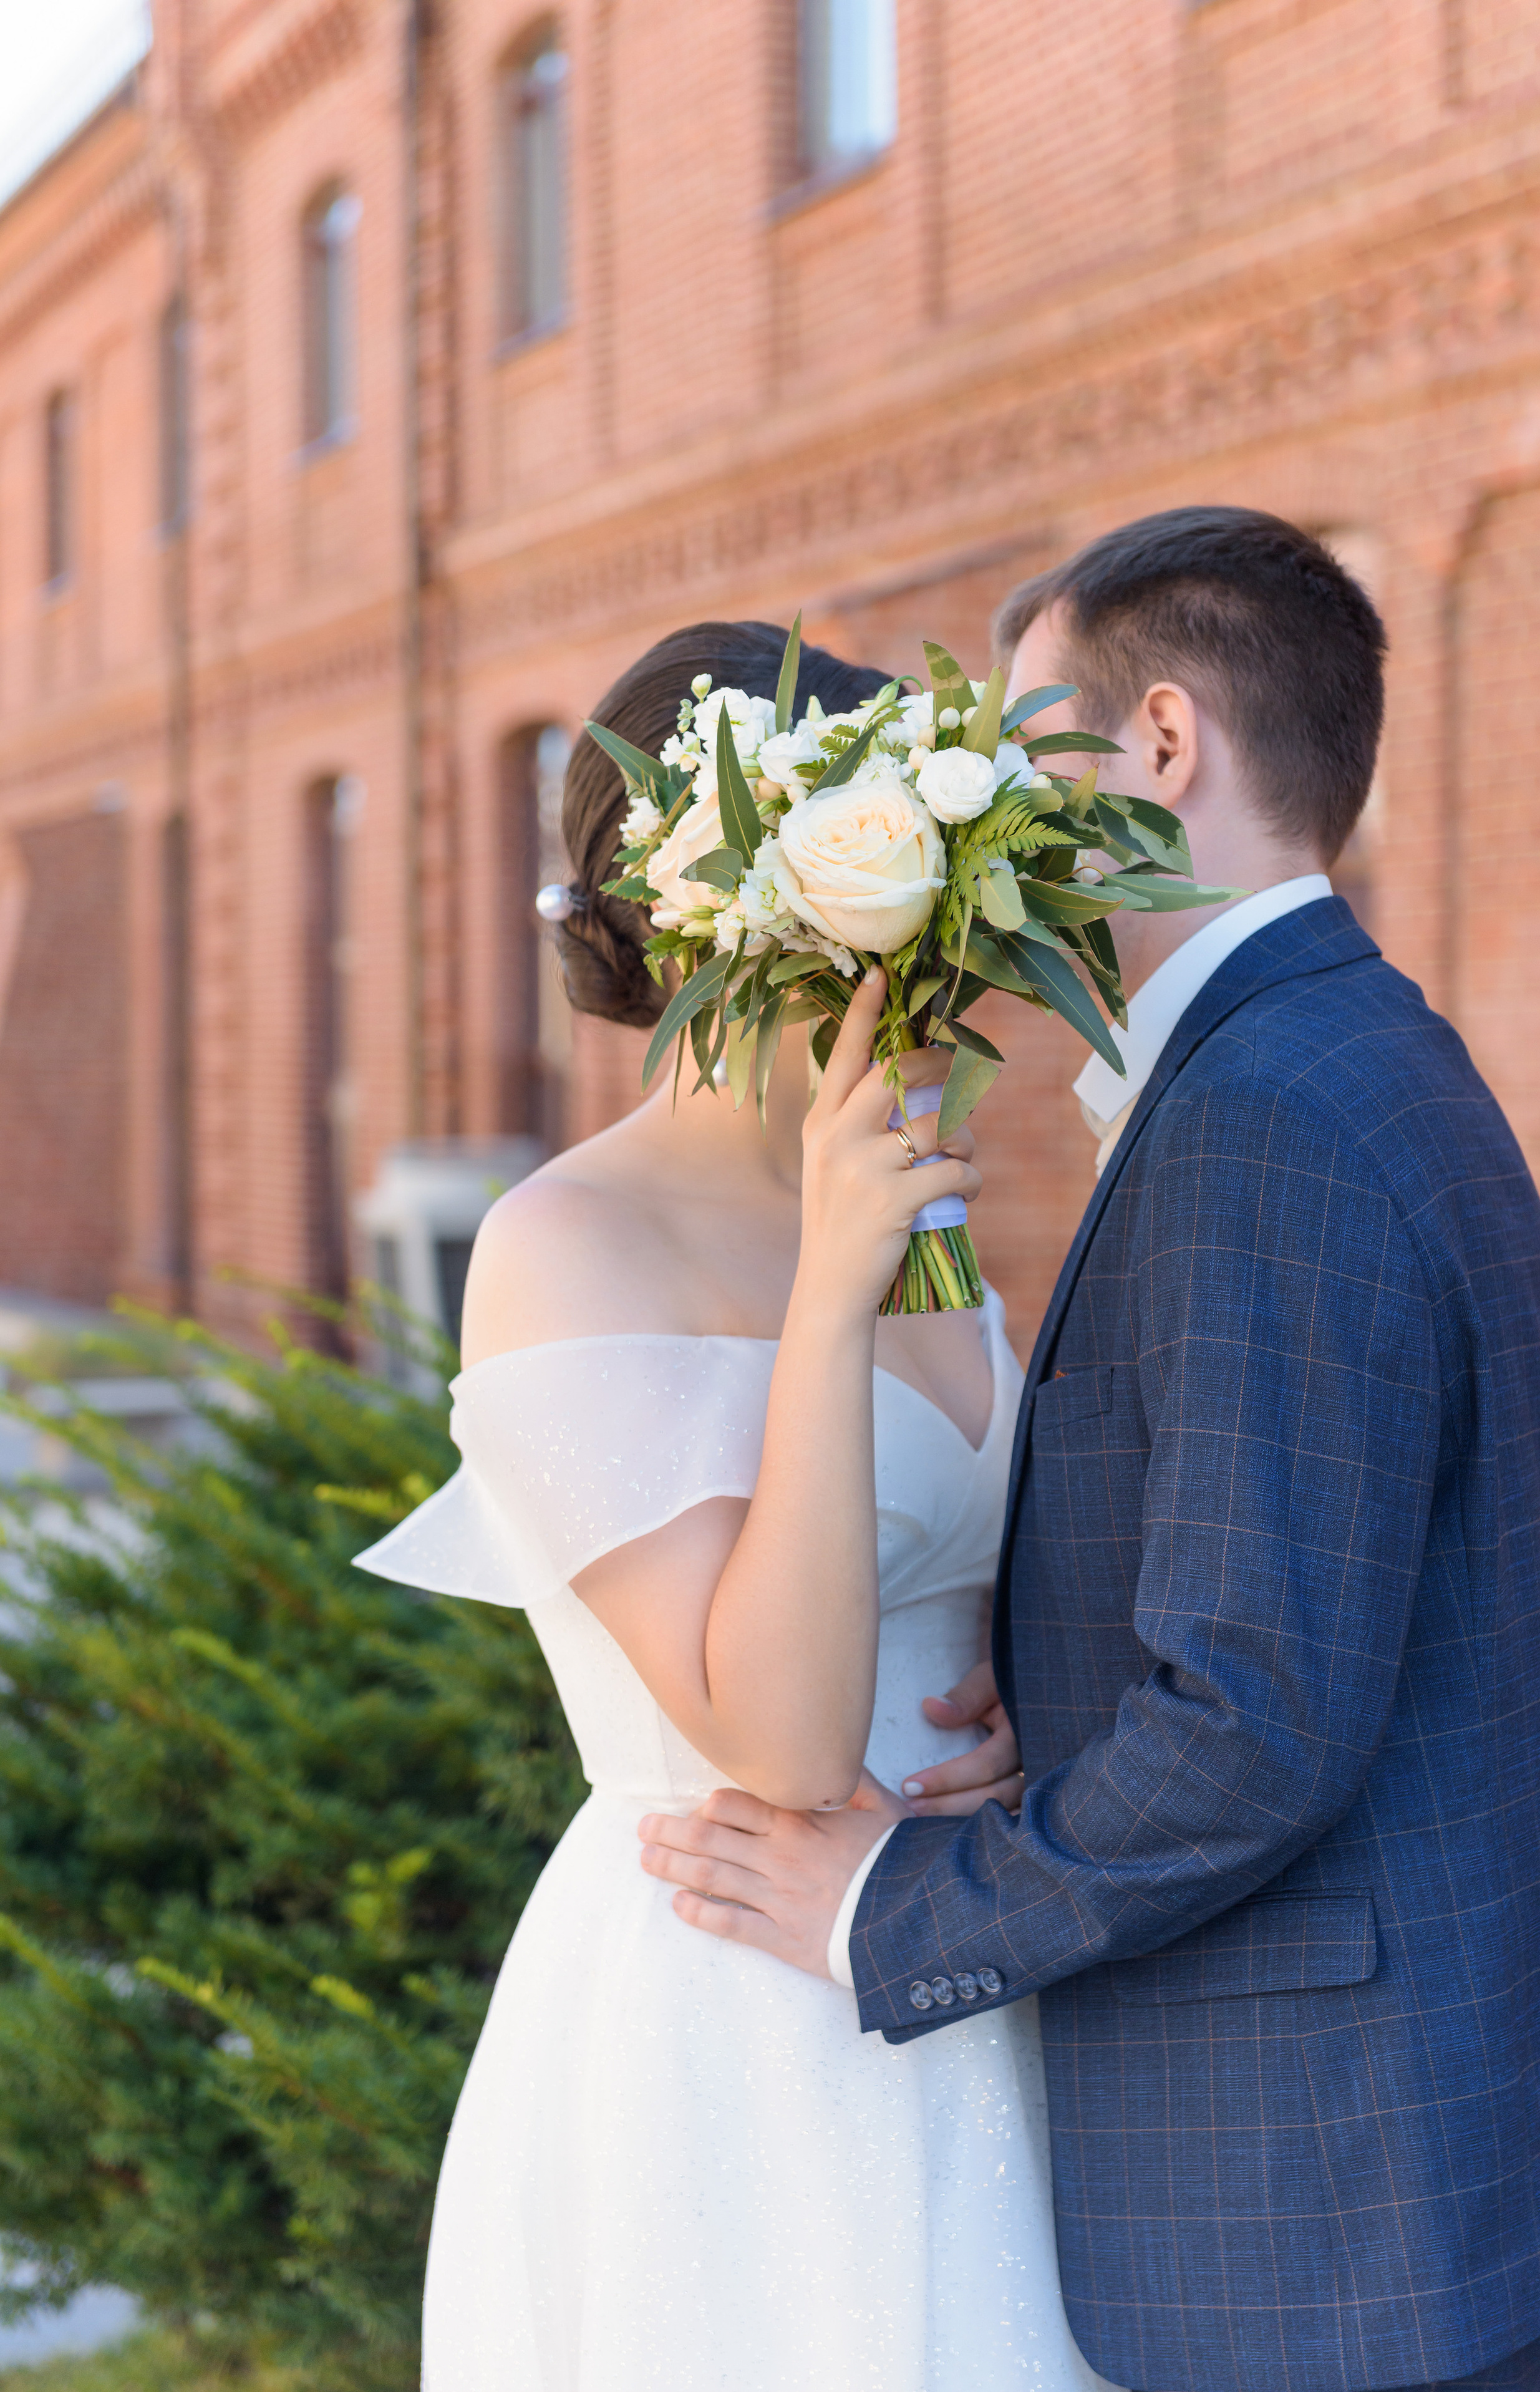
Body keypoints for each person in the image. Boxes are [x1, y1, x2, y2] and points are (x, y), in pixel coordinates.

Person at [640, 509, 1540, 2392]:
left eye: (1021, 750)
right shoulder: (1347, 1052)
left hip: (1320, 2217)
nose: (990, 810)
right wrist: (1069, 1689)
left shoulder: (1267, 1115)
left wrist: (890, 1908)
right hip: (1377, 2186)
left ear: (1160, 744)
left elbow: (1256, 1719)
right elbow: (1329, 1582)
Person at [355, 619, 1114, 2391]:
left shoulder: (915, 1199)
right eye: (896, 907)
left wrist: (1022, 1710)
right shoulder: (565, 1243)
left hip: (970, 1951)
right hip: (738, 2021)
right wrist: (832, 1289)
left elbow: (976, 1556)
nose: (934, 973)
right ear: (735, 916)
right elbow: (779, 1738)